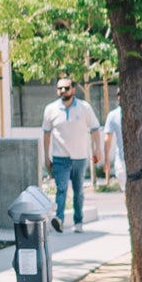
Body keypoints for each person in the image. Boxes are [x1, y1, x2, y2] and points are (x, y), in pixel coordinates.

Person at [41, 78, 96, 232]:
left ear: (73, 89)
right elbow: (46, 135)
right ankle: (59, 219)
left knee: (78, 190)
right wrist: (46, 156)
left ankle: (78, 223)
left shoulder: (84, 108)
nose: (63, 91)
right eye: (60, 88)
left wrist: (97, 149)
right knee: (62, 188)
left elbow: (95, 128)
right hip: (60, 157)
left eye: (66, 88)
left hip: (79, 157)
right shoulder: (50, 109)